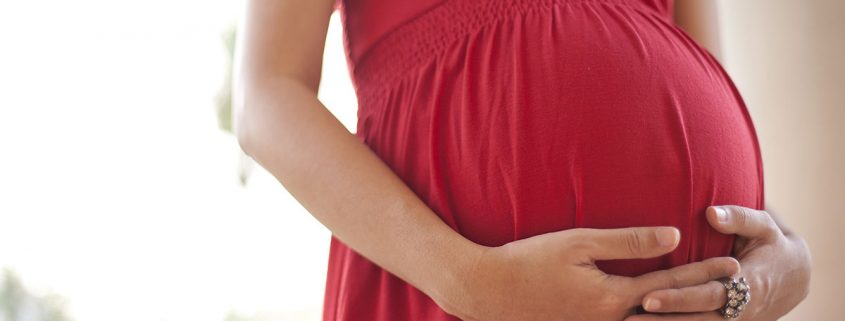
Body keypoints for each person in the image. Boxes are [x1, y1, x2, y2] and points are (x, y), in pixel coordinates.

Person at [233, 0, 812, 320]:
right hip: (448, 287)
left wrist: (779, 255)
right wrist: (465, 280)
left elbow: (694, 76)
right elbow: (266, 93)